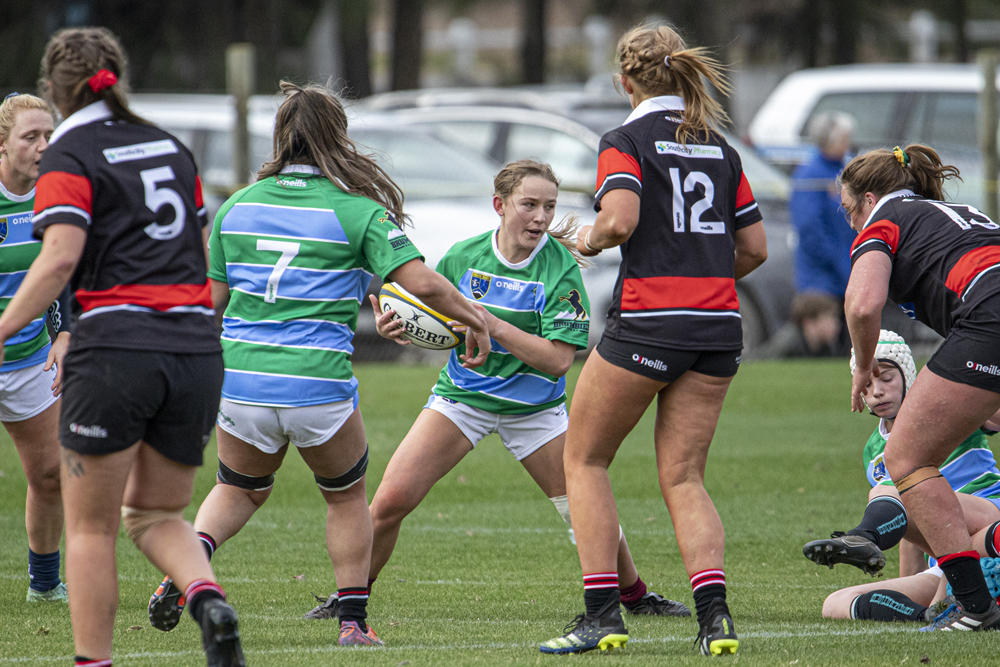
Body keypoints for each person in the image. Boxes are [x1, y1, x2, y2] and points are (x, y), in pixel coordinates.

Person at [146, 81, 491, 647]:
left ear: (281, 136)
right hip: (316, 385)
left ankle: (185, 571)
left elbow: (209, 303)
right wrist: (474, 317)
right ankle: (353, 624)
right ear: (339, 137)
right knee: (346, 496)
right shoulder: (357, 211)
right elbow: (423, 283)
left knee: (238, 489)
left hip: (243, 383)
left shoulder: (237, 206)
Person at [343, 159, 689, 627]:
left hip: (535, 411)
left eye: (549, 206)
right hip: (463, 400)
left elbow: (558, 361)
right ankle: (349, 600)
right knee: (389, 502)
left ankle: (634, 594)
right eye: (529, 205)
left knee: (583, 509)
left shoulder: (560, 269)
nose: (541, 217)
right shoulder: (463, 257)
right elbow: (436, 319)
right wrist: (400, 325)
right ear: (499, 205)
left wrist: (492, 324)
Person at [0, 27, 243, 666]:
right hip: (194, 350)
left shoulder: (70, 154)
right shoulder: (171, 146)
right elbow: (195, 254)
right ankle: (208, 598)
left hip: (116, 351)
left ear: (55, 89)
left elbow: (59, 259)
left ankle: (94, 660)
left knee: (91, 528)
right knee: (155, 514)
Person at [540, 25, 768, 656]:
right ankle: (715, 620)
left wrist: (585, 241)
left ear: (625, 82)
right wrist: (702, 278)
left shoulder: (626, 140)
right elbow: (754, 249)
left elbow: (618, 221)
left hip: (650, 325)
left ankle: (602, 615)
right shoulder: (720, 147)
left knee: (584, 461)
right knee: (685, 477)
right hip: (717, 329)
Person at [843, 143, 1000, 631]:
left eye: (849, 210)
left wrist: (863, 365)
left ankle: (975, 607)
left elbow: (862, 304)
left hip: (989, 318)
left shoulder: (882, 224)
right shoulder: (954, 213)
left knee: (905, 459)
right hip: (988, 316)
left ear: (870, 200)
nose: (851, 222)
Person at [804, 331, 1000, 622]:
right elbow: (910, 529)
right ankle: (930, 616)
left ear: (908, 375)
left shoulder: (946, 405)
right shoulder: (873, 452)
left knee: (899, 494)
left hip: (989, 522)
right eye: (867, 384)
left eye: (886, 378)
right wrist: (915, 583)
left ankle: (863, 538)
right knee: (835, 604)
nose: (877, 392)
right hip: (950, 556)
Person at [0, 91, 73, 602]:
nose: (43, 145)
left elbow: (64, 272)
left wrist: (65, 332)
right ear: (2, 144)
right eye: (31, 137)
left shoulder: (57, 196)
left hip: (28, 359)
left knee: (51, 474)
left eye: (50, 135)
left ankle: (44, 585)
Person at [790, 111, 857, 301]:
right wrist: (837, 261)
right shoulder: (810, 175)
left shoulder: (846, 169)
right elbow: (808, 227)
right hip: (822, 281)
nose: (848, 144)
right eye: (844, 139)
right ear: (828, 140)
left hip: (846, 272)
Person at [753, 292, 841, 359]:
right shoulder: (789, 346)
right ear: (809, 322)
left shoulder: (828, 347)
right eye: (829, 318)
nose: (836, 324)